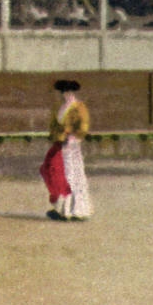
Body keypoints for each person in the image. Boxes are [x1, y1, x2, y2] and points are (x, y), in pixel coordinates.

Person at [40, 79, 93, 221]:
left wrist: (72, 137)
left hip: (72, 145)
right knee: (57, 173)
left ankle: (76, 211)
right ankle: (63, 210)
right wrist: (55, 137)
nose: (65, 94)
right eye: (63, 91)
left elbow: (83, 127)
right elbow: (54, 126)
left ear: (72, 92)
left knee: (72, 175)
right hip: (60, 144)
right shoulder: (59, 107)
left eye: (68, 91)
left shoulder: (79, 107)